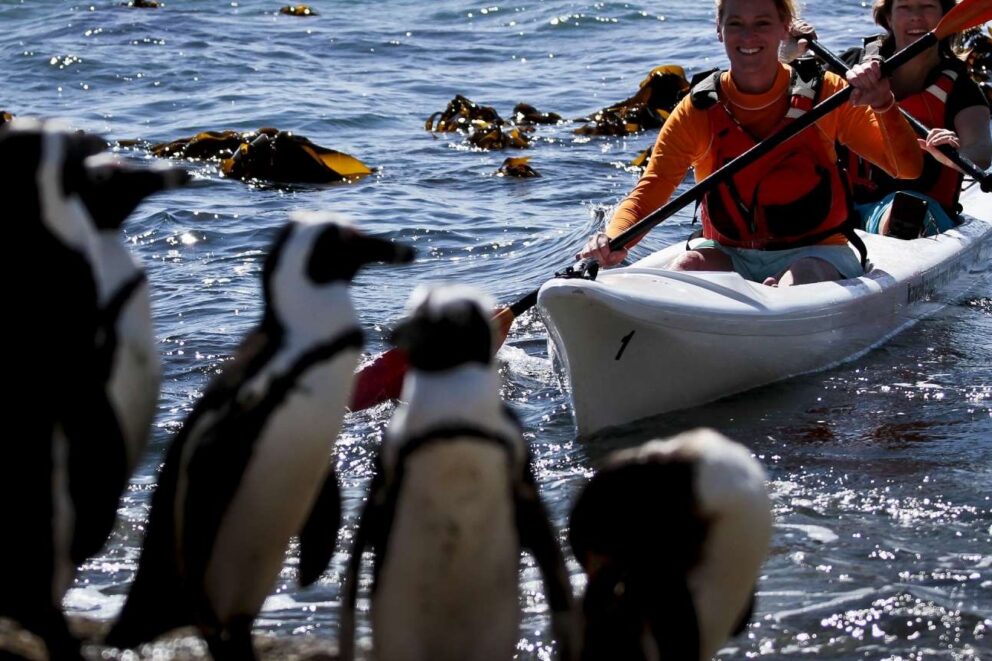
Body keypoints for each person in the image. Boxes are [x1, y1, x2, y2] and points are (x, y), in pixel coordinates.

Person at [580, 0, 924, 287]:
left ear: (784, 27)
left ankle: (777, 308)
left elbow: (906, 169)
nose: (748, 36)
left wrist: (883, 105)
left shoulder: (826, 92)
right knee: (687, 267)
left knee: (801, 277)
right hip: (727, 251)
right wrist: (616, 238)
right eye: (735, 24)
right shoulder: (698, 110)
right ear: (719, 29)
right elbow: (651, 191)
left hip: (818, 251)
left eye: (762, 23)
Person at [841, 0, 991, 238]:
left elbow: (981, 152)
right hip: (841, 207)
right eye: (905, 7)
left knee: (907, 207)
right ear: (889, 18)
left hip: (917, 215)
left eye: (927, 6)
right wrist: (790, 51)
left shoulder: (961, 87)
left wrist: (953, 157)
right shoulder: (850, 65)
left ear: (946, 17)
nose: (916, 17)